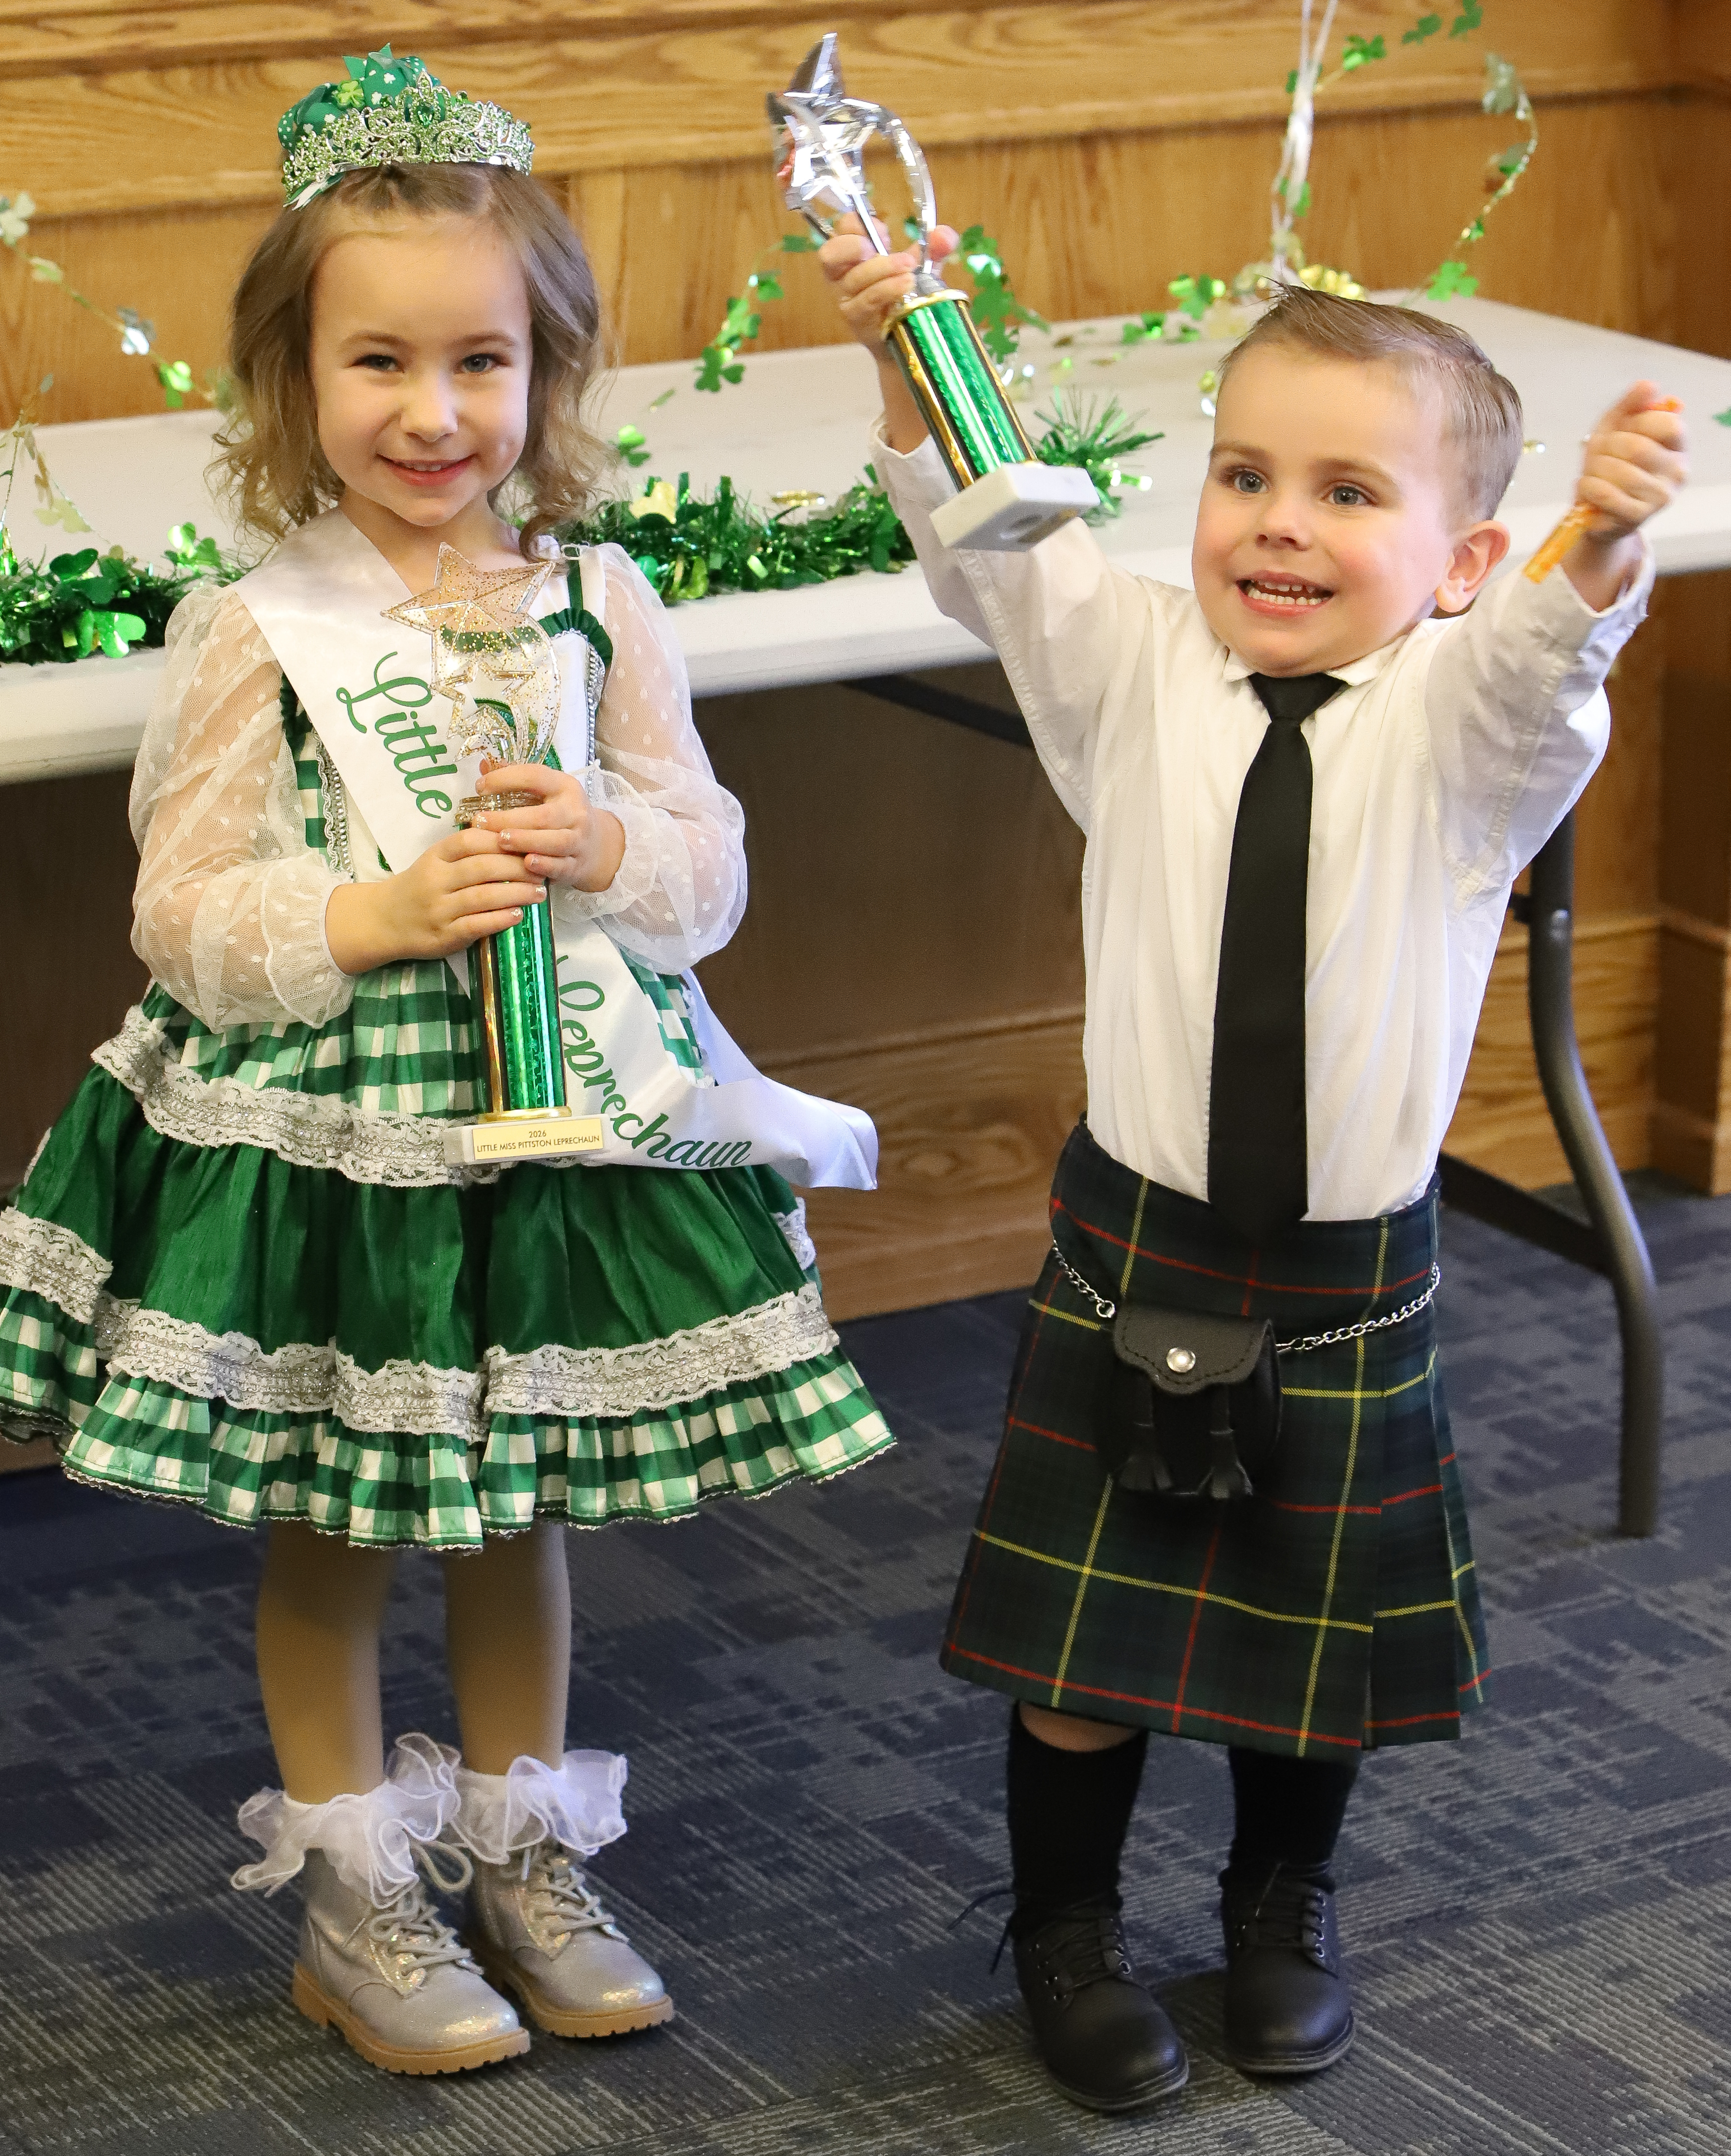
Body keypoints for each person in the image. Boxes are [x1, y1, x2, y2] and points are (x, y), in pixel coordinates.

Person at [0, 49, 893, 2079]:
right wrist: (366, 914)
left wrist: (614, 850)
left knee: (515, 1504)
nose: (438, 413)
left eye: (486, 362)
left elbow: (709, 874)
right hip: (337, 1138)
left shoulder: (599, 602)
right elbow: (185, 911)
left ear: (549, 372)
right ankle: (358, 1898)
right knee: (338, 1511)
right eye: (381, 362)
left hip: (554, 1127)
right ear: (294, 380)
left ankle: (522, 1850)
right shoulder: (249, 629)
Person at [821, 220, 1687, 2112]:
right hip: (1134, 1244)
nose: (1274, 525)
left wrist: (1595, 549)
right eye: (1243, 475)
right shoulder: (1129, 666)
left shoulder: (1465, 733)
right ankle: (1063, 1936)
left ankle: (1276, 1913)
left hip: (1340, 1272)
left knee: (1315, 1642)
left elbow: (1542, 661)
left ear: (1458, 561)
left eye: (1344, 490)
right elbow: (988, 529)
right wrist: (910, 343)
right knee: (1083, 1652)